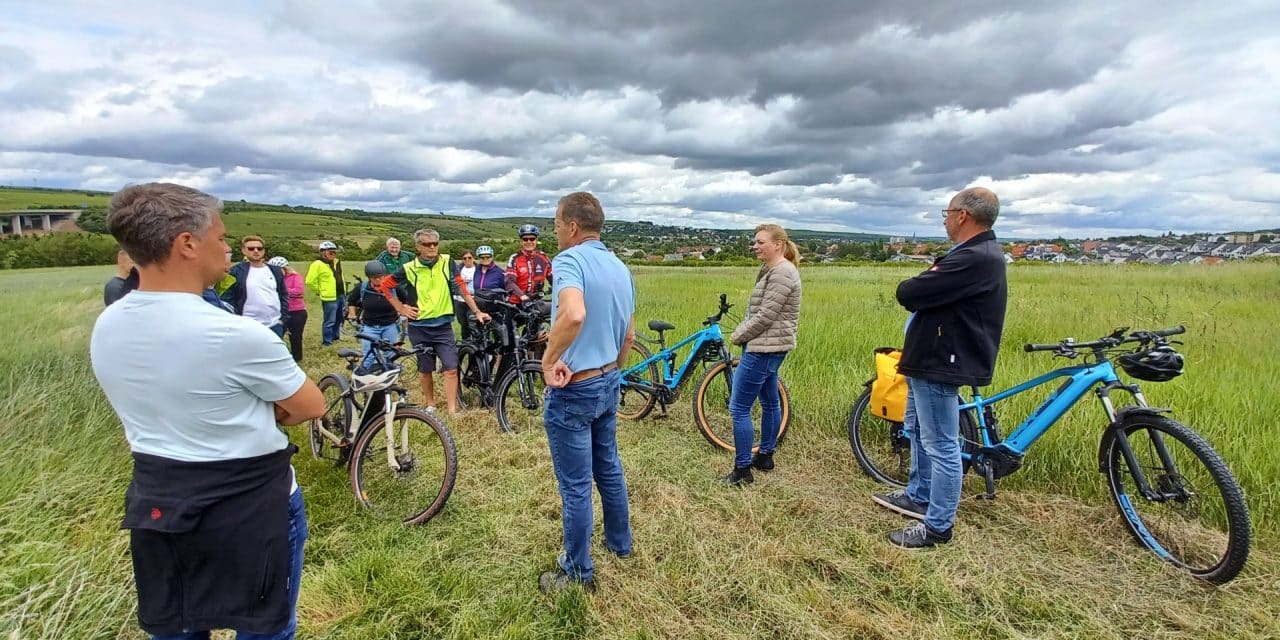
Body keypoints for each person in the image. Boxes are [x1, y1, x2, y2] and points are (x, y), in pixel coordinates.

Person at [89, 182, 325, 640]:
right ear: (187, 244)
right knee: (267, 630)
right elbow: (309, 405)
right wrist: (263, 411)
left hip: (159, 500)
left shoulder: (108, 324)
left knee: (177, 627)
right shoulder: (238, 335)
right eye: (222, 237)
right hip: (251, 504)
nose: (229, 247)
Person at [872, 187, 1008, 549]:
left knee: (941, 444)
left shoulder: (974, 257)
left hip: (940, 361)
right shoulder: (974, 254)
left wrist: (918, 284)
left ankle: (937, 526)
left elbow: (910, 292)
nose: (945, 219)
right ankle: (918, 495)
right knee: (917, 429)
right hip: (929, 357)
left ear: (963, 215)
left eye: (946, 213)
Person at [537, 192, 635, 593]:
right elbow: (629, 334)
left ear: (572, 226)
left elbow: (573, 313)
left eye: (557, 224)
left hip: (575, 386)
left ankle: (577, 571)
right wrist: (612, 371)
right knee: (608, 466)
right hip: (609, 377)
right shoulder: (620, 267)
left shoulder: (569, 260)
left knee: (576, 484)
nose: (556, 231)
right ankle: (620, 543)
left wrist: (548, 359)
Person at [720, 224, 802, 486]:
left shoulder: (782, 273)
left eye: (760, 242)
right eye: (754, 242)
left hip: (764, 347)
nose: (755, 246)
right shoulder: (775, 270)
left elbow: (766, 315)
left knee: (739, 408)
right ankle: (765, 455)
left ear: (777, 244)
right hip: (770, 346)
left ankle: (742, 471)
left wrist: (737, 335)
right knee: (769, 402)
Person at [378, 229, 491, 415]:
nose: (432, 247)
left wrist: (477, 311)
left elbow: (461, 287)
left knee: (451, 367)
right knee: (425, 368)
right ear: (417, 247)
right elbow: (385, 285)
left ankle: (452, 409)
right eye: (427, 244)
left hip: (443, 325)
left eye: (435, 244)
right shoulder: (409, 268)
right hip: (419, 326)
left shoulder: (447, 262)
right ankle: (430, 404)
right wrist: (400, 308)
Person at [222, 235, 290, 337]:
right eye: (251, 248)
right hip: (247, 326)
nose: (256, 251)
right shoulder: (235, 272)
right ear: (244, 251)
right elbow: (227, 298)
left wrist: (282, 319)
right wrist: (236, 320)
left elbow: (283, 294)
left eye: (259, 248)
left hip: (274, 324)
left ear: (264, 251)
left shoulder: (275, 271)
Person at [348, 260, 408, 373]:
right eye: (375, 277)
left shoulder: (394, 288)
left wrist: (402, 311)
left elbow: (405, 300)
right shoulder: (362, 288)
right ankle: (364, 376)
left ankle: (388, 377)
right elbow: (351, 301)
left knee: (391, 353)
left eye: (381, 277)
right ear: (369, 277)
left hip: (389, 325)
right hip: (370, 326)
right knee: (369, 355)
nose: (379, 280)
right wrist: (352, 314)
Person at [304, 241, 345, 346]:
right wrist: (320, 290)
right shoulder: (317, 264)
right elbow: (309, 281)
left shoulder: (336, 262)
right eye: (330, 252)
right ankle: (327, 341)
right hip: (329, 297)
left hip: (340, 295)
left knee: (339, 318)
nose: (333, 254)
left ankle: (336, 337)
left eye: (334, 252)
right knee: (330, 320)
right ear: (323, 253)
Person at [505, 223, 553, 305]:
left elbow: (552, 278)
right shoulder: (515, 258)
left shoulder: (543, 257)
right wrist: (522, 296)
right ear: (521, 241)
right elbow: (509, 282)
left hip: (536, 302)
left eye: (532, 239)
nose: (529, 241)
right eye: (525, 239)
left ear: (536, 240)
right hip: (517, 302)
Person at [271, 256, 308, 363]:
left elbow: (298, 291)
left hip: (296, 311)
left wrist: (282, 290)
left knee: (295, 337)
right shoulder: (271, 278)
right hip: (279, 311)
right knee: (276, 336)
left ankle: (297, 358)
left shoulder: (295, 277)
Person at [453, 250, 477, 341]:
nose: (467, 260)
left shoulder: (478, 269)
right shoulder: (458, 269)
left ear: (473, 258)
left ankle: (475, 342)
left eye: (469, 257)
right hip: (460, 300)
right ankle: (465, 342)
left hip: (473, 299)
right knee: (463, 323)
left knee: (473, 323)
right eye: (465, 258)